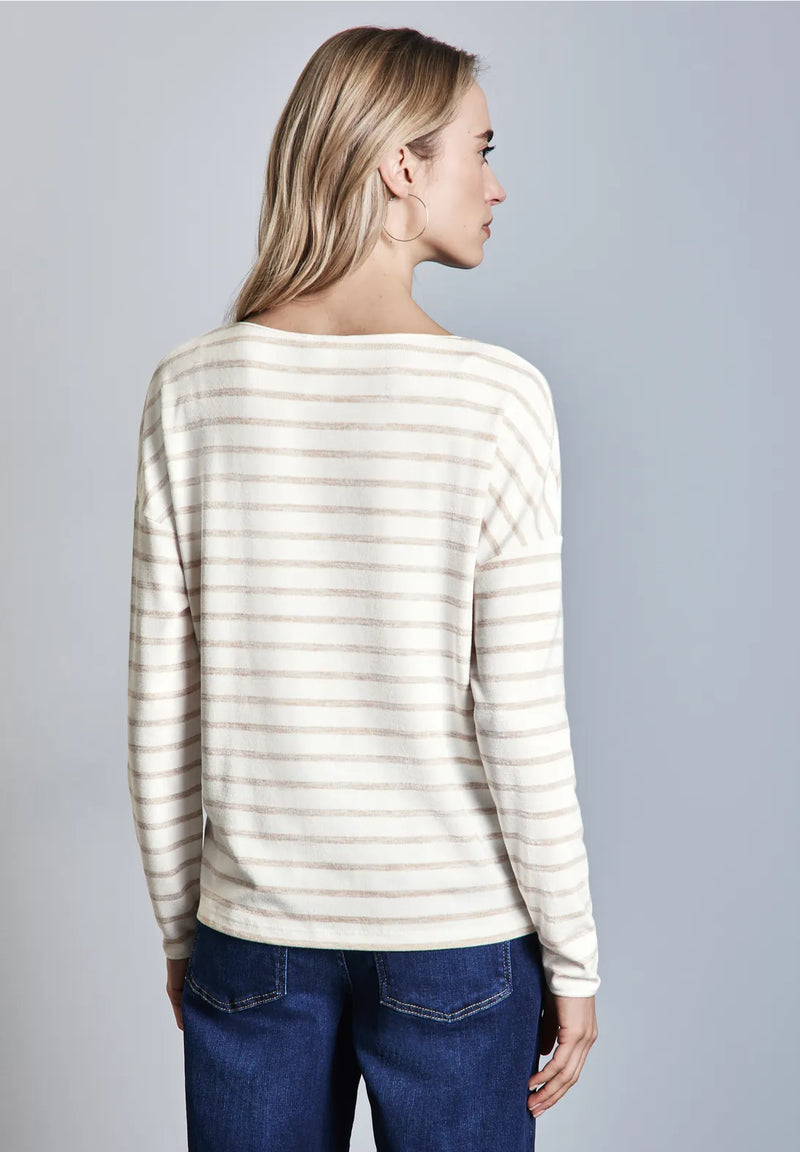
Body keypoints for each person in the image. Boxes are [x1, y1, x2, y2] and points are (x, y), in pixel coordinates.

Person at [126, 24, 599, 1151]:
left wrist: (184, 930)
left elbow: (159, 710)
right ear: (400, 166)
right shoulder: (496, 400)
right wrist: (573, 957)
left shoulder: (190, 389)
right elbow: (519, 718)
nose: (496, 185)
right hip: (455, 939)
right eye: (479, 150)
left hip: (252, 936)